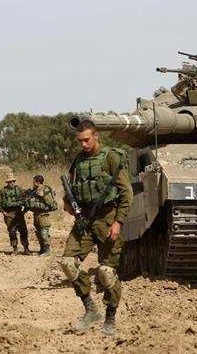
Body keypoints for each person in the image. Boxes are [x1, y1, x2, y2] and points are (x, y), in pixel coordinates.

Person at [60, 120, 133, 336]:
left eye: (86, 140)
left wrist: (118, 222)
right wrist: (68, 204)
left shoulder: (111, 157)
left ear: (96, 136)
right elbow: (71, 190)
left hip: (107, 219)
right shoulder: (79, 160)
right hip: (84, 221)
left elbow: (126, 193)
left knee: (106, 272)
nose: (83, 144)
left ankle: (110, 320)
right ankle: (91, 310)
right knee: (68, 263)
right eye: (80, 141)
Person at [0, 172, 30, 255]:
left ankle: (26, 248)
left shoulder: (19, 189)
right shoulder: (2, 191)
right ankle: (15, 249)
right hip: (9, 214)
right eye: (10, 182)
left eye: (13, 181)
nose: (12, 183)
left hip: (19, 213)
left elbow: (27, 199)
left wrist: (24, 210)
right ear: (7, 182)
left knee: (23, 231)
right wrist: (3, 212)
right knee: (12, 231)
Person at [25, 175, 57, 256]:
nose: (33, 183)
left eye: (34, 182)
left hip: (44, 215)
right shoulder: (34, 190)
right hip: (36, 214)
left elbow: (51, 202)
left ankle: (47, 250)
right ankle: (42, 249)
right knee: (38, 233)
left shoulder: (45, 190)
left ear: (38, 182)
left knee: (44, 233)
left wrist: (43, 195)